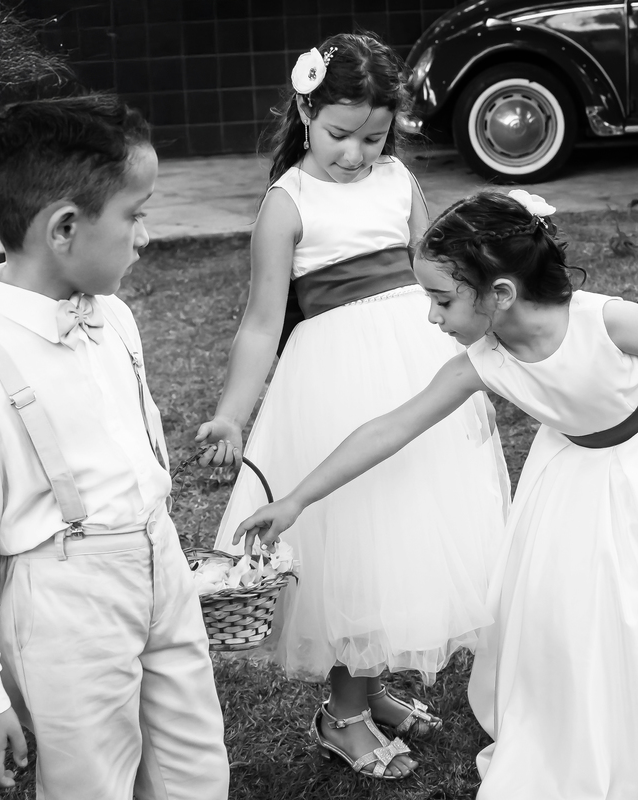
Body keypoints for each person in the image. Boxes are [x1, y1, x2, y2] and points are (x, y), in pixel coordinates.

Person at [235, 189, 638, 799]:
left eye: (440, 300)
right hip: (583, 477)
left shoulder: (607, 321)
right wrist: (297, 499)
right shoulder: (481, 363)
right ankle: (620, 711)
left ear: (497, 294)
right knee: (602, 607)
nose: (430, 317)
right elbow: (392, 426)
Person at [194, 33, 509, 780]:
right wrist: (234, 414)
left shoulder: (400, 180)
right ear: (305, 111)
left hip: (418, 370)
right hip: (337, 385)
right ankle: (341, 714)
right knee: (359, 545)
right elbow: (262, 323)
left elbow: (436, 270)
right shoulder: (288, 204)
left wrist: (474, 356)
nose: (356, 154)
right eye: (339, 135)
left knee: (408, 535)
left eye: (373, 137)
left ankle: (371, 687)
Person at [0, 96, 229, 800]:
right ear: (64, 228)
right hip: (67, 600)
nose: (145, 235)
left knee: (196, 768)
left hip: (160, 564)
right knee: (91, 781)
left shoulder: (115, 317)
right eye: (134, 213)